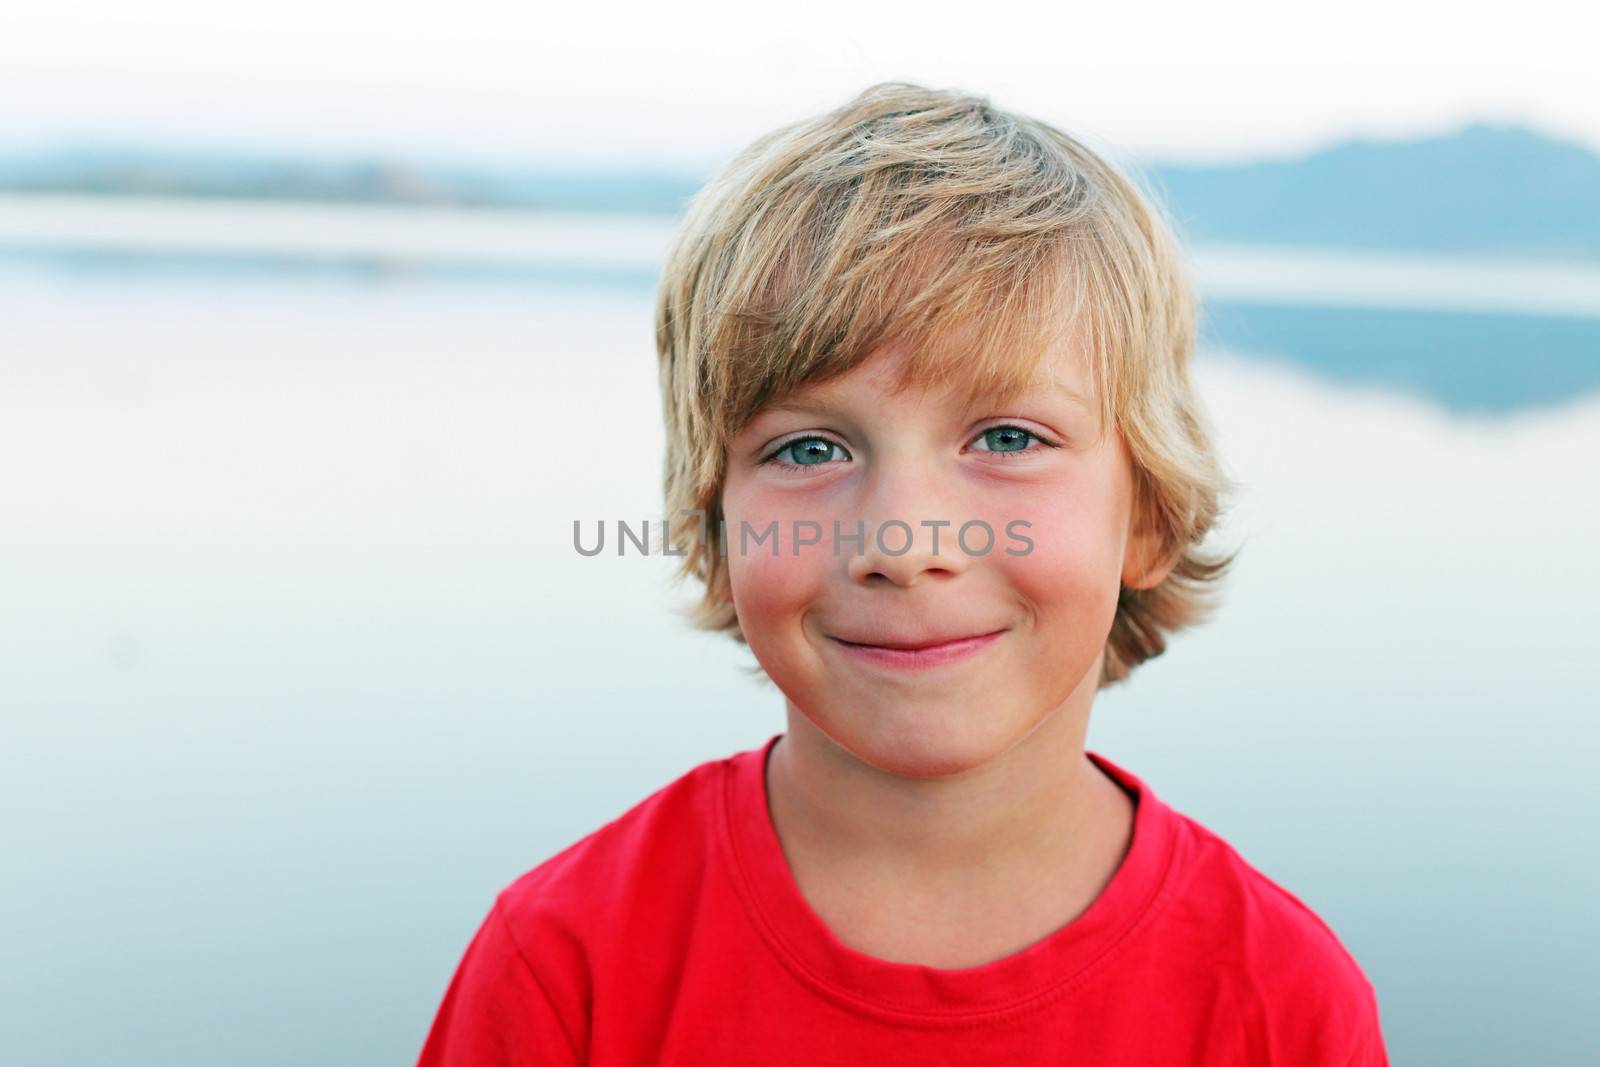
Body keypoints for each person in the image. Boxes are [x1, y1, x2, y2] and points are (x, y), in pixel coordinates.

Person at [416, 82, 1389, 1065]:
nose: (901, 539)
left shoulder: (1279, 1002)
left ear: (1144, 516)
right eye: (806, 449)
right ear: (714, 524)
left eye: (1007, 436)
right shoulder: (567, 960)